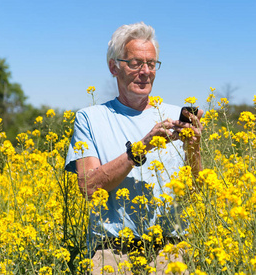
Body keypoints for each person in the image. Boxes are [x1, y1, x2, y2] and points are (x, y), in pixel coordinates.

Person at [65, 22, 203, 274]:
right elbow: (88, 187)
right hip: (112, 249)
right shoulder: (90, 118)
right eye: (135, 63)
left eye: (151, 64)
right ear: (113, 67)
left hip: (169, 248)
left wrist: (194, 148)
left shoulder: (173, 116)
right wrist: (139, 149)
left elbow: (197, 190)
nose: (145, 71)